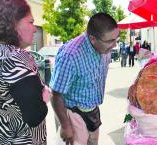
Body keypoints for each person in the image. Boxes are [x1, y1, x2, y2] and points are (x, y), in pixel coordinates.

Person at [49, 13, 119, 145]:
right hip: (72, 113)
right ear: (92, 39)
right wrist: (65, 125)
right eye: (110, 41)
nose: (114, 45)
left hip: (93, 110)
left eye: (117, 39)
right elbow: (55, 94)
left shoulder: (104, 48)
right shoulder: (70, 55)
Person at [0, 0, 49, 144]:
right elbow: (35, 115)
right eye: (30, 22)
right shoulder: (15, 57)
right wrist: (45, 98)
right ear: (13, 22)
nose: (35, 29)